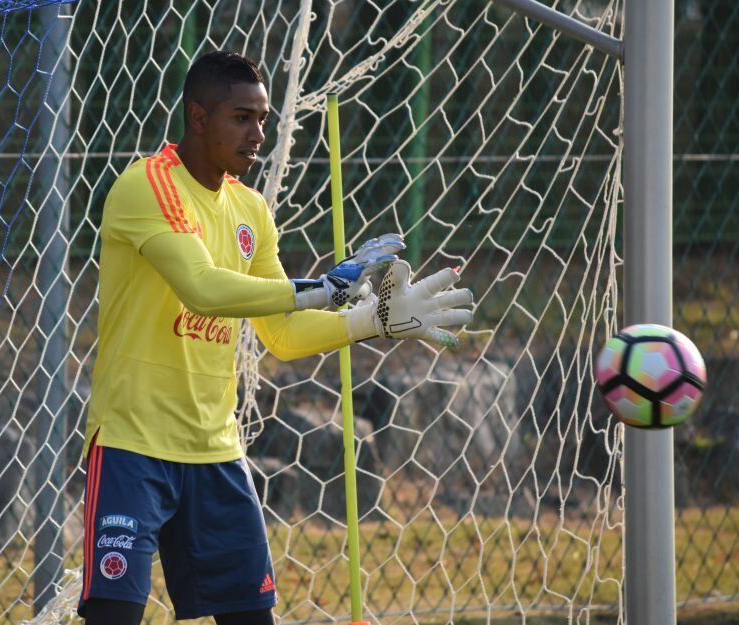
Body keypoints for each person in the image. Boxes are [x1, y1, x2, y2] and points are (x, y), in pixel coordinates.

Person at [79, 51, 473, 625]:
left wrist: (369, 321)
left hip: (216, 451)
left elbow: (282, 335)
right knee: (114, 618)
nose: (258, 133)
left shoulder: (251, 209)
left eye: (263, 119)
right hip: (133, 449)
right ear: (198, 118)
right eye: (242, 117)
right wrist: (320, 288)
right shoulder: (149, 186)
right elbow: (204, 290)